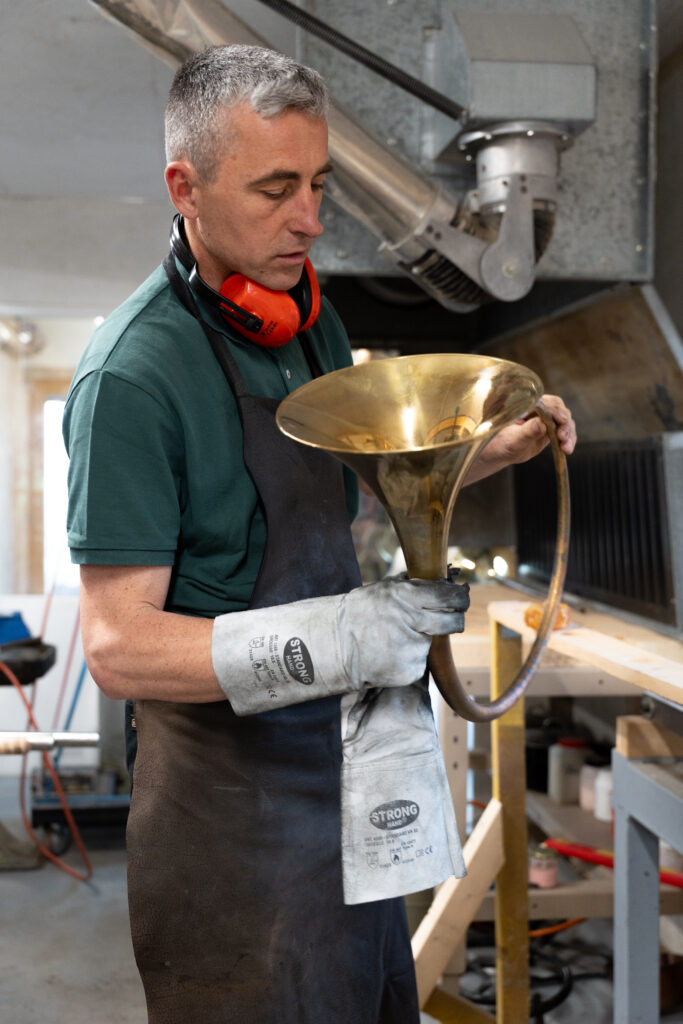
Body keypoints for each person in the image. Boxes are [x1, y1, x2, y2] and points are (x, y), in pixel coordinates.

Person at [63, 44, 576, 1024]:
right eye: (274, 189)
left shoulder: (308, 326)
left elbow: (344, 493)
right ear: (187, 186)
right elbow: (118, 645)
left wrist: (492, 451)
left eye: (318, 183)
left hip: (347, 784)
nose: (310, 219)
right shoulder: (130, 377)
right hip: (231, 821)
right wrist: (343, 634)